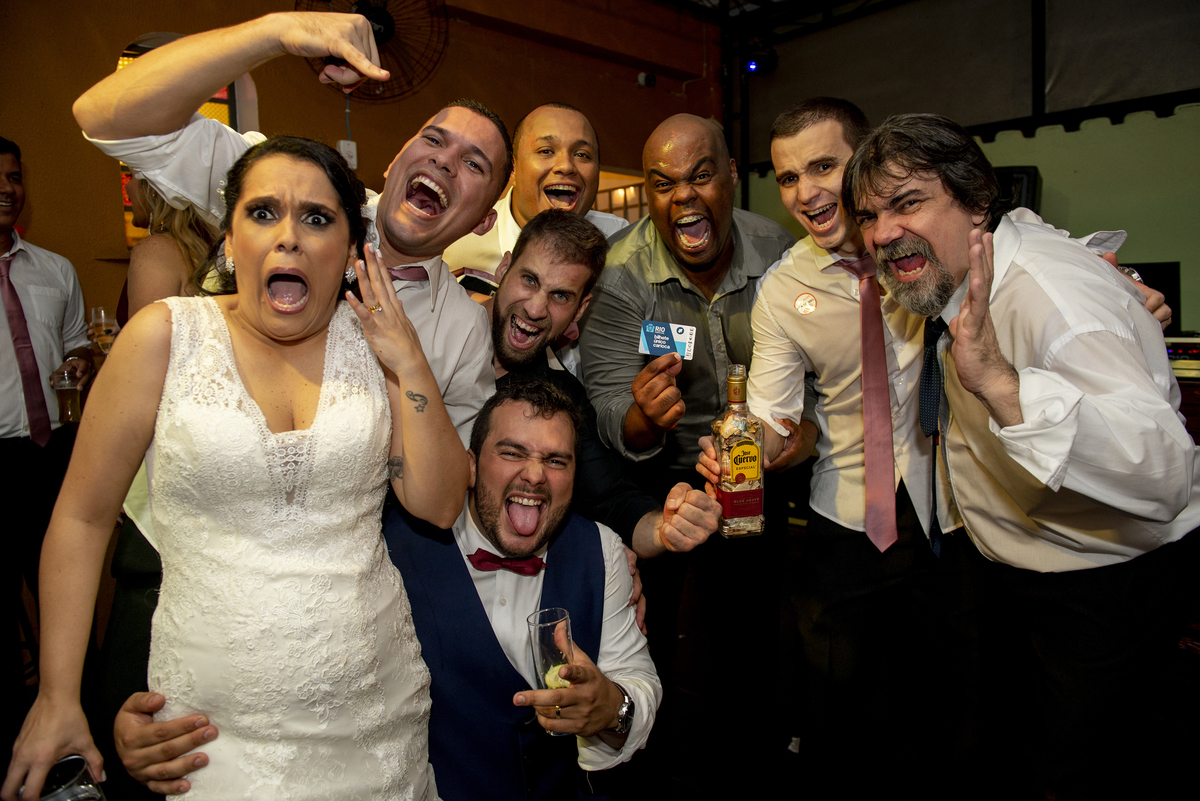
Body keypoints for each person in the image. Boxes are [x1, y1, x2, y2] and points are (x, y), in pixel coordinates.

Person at [2, 136, 464, 801]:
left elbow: (441, 503)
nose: (290, 238)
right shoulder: (165, 336)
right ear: (229, 240)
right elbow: (81, 516)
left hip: (374, 717)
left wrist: (411, 360)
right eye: (264, 212)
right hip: (210, 732)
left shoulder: (377, 348)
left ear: (352, 250)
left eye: (317, 217)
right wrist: (56, 693)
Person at [843, 112, 1200, 798]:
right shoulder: (969, 271)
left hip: (1102, 582)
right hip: (1014, 569)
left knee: (1070, 776)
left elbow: (1165, 469)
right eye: (870, 215)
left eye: (908, 202)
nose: (883, 232)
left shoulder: (1049, 293)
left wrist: (1005, 386)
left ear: (977, 200)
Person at [109, 379, 661, 801]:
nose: (535, 475)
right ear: (469, 465)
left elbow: (638, 680)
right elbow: (283, 643)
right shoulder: (385, 543)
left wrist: (612, 707)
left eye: (556, 460)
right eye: (512, 452)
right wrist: (161, 721)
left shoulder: (603, 551)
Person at [72, 10, 504, 445]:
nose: (444, 160)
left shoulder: (464, 332)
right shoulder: (286, 191)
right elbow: (110, 119)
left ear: (485, 220)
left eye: (473, 163)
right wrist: (274, 33)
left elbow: (453, 476)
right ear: (394, 164)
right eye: (433, 139)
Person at [577, 113, 797, 795]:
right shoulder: (621, 278)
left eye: (701, 174)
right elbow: (611, 414)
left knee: (774, 646)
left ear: (731, 176)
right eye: (663, 183)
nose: (684, 197)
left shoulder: (780, 254)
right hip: (672, 480)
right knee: (688, 657)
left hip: (775, 470)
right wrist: (647, 417)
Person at [485, 209, 720, 559]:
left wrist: (664, 526)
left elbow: (610, 499)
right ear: (503, 269)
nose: (536, 308)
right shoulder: (433, 332)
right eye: (529, 280)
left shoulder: (563, 397)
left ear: (580, 309)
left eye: (561, 296)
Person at [0, 135, 94, 754]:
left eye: (14, 177)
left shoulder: (53, 268)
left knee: (63, 584)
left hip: (52, 451)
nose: (8, 190)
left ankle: (69, 708)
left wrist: (83, 363)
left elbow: (79, 340)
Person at [443, 102, 628, 296]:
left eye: (582, 154)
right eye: (546, 151)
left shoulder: (621, 244)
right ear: (513, 168)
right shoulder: (457, 242)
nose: (566, 166)